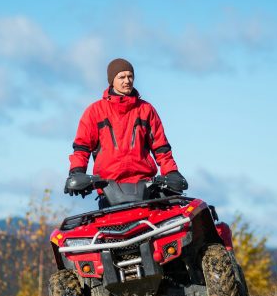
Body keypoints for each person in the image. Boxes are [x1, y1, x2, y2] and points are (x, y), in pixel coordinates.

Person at [64, 58, 187, 206]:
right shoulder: (95, 112)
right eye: (121, 77)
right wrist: (76, 172)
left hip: (146, 187)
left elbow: (161, 148)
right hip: (108, 188)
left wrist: (171, 173)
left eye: (130, 76)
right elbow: (81, 148)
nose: (127, 81)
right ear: (112, 81)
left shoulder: (146, 110)